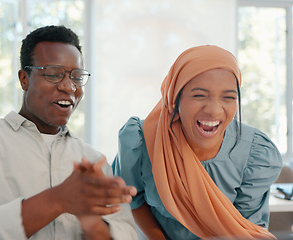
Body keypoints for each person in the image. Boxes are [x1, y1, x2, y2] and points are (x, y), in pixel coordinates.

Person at [0, 25, 138, 239]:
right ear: (24, 79)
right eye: (54, 74)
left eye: (77, 77)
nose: (69, 87)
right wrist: (57, 199)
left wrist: (91, 222)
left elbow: (126, 234)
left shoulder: (94, 161)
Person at [113, 45, 283, 240]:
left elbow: (244, 229)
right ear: (175, 98)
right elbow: (132, 201)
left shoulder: (254, 154)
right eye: (199, 95)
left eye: (228, 97)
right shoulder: (141, 141)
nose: (214, 111)